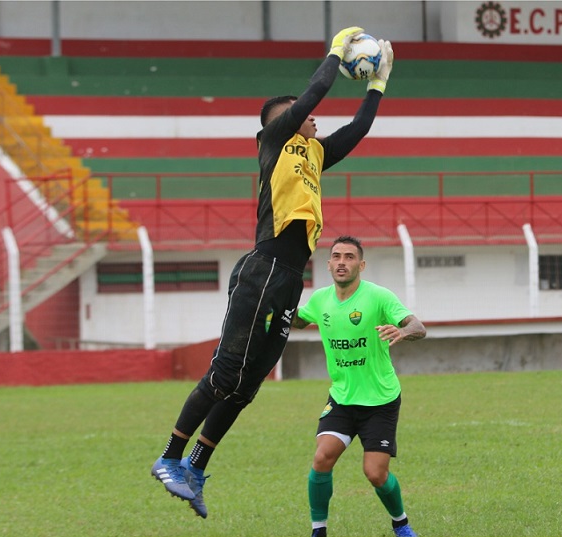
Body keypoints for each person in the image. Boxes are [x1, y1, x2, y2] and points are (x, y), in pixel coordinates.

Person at [150, 28, 395, 519]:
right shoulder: (274, 142)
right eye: (303, 114)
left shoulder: (315, 154)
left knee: (247, 386)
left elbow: (359, 128)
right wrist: (336, 47)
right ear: (281, 122)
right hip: (262, 270)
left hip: (288, 279)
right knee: (225, 374)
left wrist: (378, 83)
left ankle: (196, 466)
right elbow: (314, 94)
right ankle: (170, 458)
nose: (313, 118)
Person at [292, 235, 426, 537]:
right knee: (322, 457)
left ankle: (401, 524)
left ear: (361, 265)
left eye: (349, 257)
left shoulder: (378, 297)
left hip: (380, 399)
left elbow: (418, 326)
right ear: (328, 264)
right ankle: (318, 530)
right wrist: (268, 311)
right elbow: (298, 320)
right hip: (342, 397)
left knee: (375, 474)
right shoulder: (320, 299)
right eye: (337, 256)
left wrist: (403, 333)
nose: (342, 262)